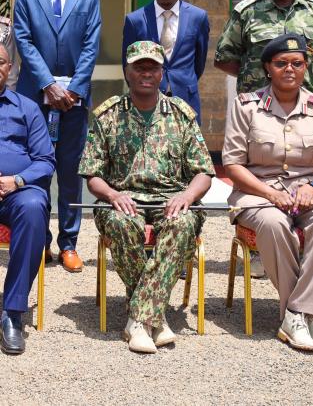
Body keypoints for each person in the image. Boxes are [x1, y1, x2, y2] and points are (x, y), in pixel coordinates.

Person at [78, 41, 214, 354]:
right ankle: (156, 315)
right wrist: (112, 194)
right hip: (123, 199)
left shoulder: (181, 114)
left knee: (181, 224)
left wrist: (187, 196)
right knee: (122, 222)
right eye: (139, 67)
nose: (146, 73)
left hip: (172, 198)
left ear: (162, 72)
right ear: (127, 71)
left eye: (152, 67)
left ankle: (138, 319)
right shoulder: (108, 115)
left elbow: (204, 172)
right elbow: (92, 173)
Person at [222, 32, 313, 352]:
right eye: (281, 63)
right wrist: (268, 193)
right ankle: (305, 316)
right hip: (257, 192)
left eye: (297, 63)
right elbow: (233, 164)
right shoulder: (246, 106)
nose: (289, 69)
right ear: (268, 68)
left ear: (307, 67)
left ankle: (296, 313)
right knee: (274, 224)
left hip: (311, 192)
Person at [13, 0, 101, 273]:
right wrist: (49, 85)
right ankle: (39, 240)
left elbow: (92, 43)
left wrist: (74, 88)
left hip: (74, 101)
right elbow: (24, 39)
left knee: (69, 170)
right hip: (35, 98)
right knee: (34, 167)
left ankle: (69, 244)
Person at [0, 42, 55, 355]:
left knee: (35, 208)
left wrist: (17, 181)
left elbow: (46, 160)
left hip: (16, 193)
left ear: (10, 70)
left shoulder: (27, 108)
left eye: (1, 61)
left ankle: (12, 312)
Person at [122, 0, 210, 123]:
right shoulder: (135, 20)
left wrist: (182, 80)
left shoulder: (198, 17)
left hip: (186, 99)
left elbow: (199, 61)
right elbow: (127, 65)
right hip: (145, 100)